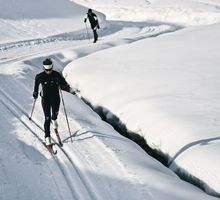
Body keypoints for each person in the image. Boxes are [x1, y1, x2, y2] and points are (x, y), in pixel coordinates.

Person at [33, 58, 70, 149]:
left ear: (52, 67)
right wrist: (35, 94)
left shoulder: (57, 75)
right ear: (43, 68)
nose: (48, 71)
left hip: (56, 99)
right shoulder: (39, 77)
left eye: (50, 70)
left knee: (54, 115)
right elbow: (36, 88)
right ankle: (47, 138)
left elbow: (64, 84)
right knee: (47, 118)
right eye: (46, 70)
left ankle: (54, 119)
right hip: (45, 100)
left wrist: (64, 86)